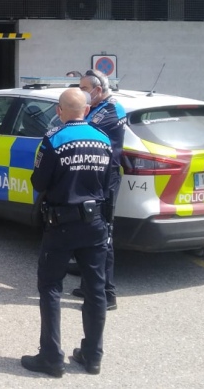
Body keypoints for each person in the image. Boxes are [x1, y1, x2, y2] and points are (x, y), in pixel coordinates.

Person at [21, 87, 111, 378]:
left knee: (50, 288)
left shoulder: (54, 140)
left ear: (59, 112)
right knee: (96, 291)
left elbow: (39, 181)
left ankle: (51, 357)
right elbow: (108, 183)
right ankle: (93, 356)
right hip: (95, 224)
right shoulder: (104, 139)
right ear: (85, 110)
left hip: (60, 224)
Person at [71, 69, 127, 311]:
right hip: (90, 175)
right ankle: (89, 284)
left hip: (105, 178)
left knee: (103, 234)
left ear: (98, 89)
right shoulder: (94, 107)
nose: (81, 92)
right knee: (87, 230)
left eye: (84, 88)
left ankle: (107, 293)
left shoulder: (112, 109)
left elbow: (79, 126)